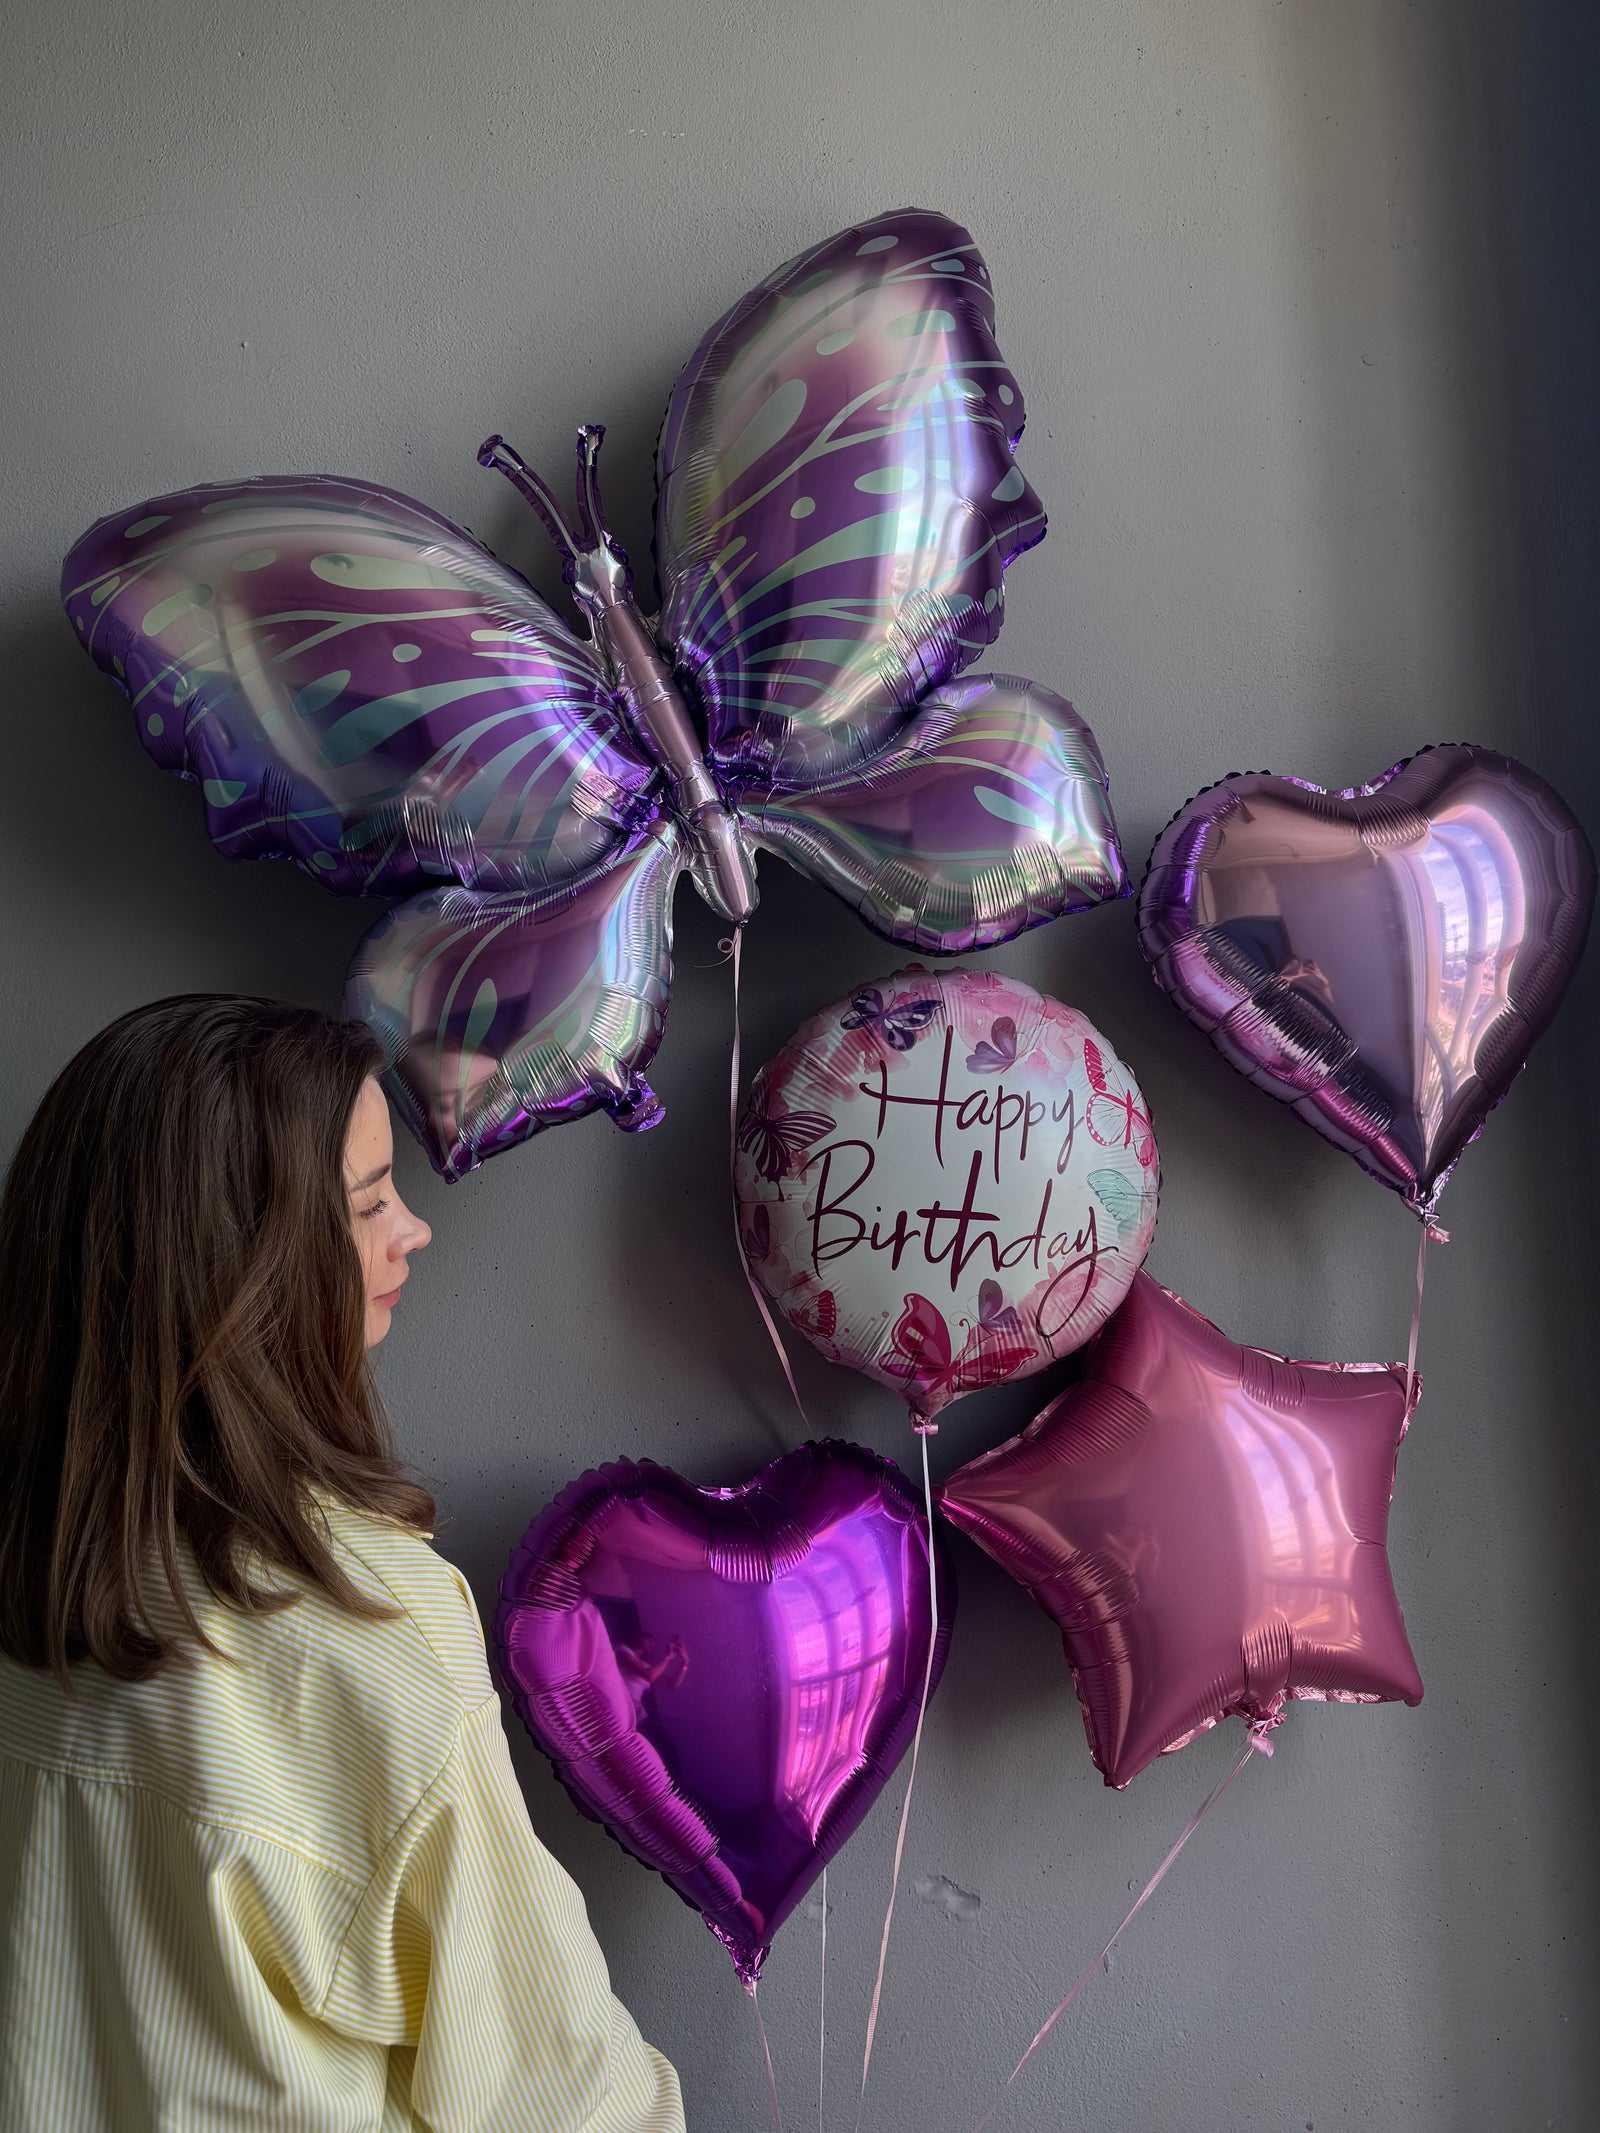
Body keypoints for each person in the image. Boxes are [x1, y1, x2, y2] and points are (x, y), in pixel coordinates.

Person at [0, 995, 685, 2132]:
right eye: (368, 1200)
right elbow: (558, 2099)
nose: (411, 1228)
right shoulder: (362, 1619)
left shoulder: (39, 1566)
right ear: (238, 1263)